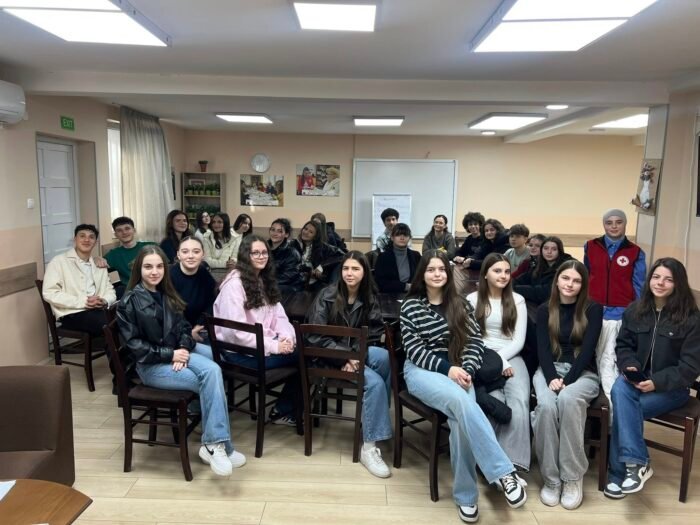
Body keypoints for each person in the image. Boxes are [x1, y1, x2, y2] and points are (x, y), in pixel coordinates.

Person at [400, 251, 526, 522]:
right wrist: (449, 369)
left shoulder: (460, 304)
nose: (437, 274)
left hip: (459, 370)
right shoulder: (410, 306)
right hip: (422, 370)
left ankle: (466, 498)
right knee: (461, 401)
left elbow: (474, 342)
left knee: (460, 422)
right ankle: (505, 472)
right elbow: (414, 350)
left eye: (441, 269)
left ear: (448, 274)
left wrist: (466, 368)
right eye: (431, 269)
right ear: (422, 274)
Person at [117, 245, 245, 477]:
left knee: (214, 368)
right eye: (148, 267)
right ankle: (218, 446)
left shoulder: (166, 293)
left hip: (175, 352)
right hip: (151, 366)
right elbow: (135, 346)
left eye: (159, 266)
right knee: (210, 378)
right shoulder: (129, 302)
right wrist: (171, 355)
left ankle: (214, 444)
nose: (154, 272)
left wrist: (183, 348)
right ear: (139, 269)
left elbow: (184, 327)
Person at [605, 258, 700, 499]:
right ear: (649, 280)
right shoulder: (635, 310)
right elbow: (623, 346)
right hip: (637, 381)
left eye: (668, 279)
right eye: (656, 277)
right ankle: (636, 466)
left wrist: (657, 382)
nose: (660, 283)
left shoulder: (691, 318)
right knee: (620, 389)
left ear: (678, 284)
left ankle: (618, 474)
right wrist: (630, 367)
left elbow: (690, 367)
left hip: (671, 388)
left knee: (625, 408)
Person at [306, 251, 393, 478]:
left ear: (365, 272)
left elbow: (373, 334)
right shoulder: (326, 295)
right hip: (326, 357)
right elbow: (315, 336)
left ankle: (374, 421)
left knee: (385, 358)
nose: (349, 273)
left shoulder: (369, 297)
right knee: (374, 383)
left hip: (353, 354)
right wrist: (345, 358)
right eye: (346, 268)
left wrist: (353, 357)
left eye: (355, 269)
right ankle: (369, 447)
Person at [532, 260, 603, 510]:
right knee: (545, 407)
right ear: (557, 280)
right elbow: (542, 350)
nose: (570, 284)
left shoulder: (593, 309)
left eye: (576, 280)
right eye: (565, 278)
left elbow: (588, 351)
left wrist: (567, 381)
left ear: (583, 285)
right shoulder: (545, 309)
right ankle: (551, 480)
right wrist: (552, 377)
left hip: (583, 373)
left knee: (568, 399)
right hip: (549, 370)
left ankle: (572, 477)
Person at [213, 235, 299, 425]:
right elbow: (235, 333)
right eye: (255, 253)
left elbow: (279, 317)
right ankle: (284, 411)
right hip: (238, 354)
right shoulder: (234, 286)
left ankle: (285, 409)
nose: (261, 256)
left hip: (260, 347)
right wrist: (275, 346)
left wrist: (287, 338)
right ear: (245, 256)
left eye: (264, 252)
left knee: (304, 350)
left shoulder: (263, 280)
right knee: (306, 356)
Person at [466, 253, 530, 477]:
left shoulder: (518, 300)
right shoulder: (472, 299)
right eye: (497, 271)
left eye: (506, 271)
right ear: (485, 274)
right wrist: (498, 361)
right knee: (496, 401)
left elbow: (518, 341)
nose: (503, 275)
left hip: (513, 356)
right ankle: (490, 463)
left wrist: (503, 359)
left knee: (519, 401)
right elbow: (472, 338)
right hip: (482, 357)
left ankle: (513, 465)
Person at [584, 209, 647, 404]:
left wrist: (636, 313)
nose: (613, 226)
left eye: (618, 222)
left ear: (625, 224)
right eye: (609, 222)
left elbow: (639, 285)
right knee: (592, 356)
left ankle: (614, 402)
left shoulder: (635, 252)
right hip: (594, 311)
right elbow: (586, 276)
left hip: (621, 314)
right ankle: (595, 402)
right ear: (604, 224)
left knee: (610, 358)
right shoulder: (591, 246)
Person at [43, 224, 116, 336]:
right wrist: (84, 302)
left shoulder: (99, 264)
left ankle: (120, 347)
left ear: (95, 242)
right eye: (82, 236)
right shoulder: (58, 262)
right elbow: (49, 293)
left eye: (91, 237)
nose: (87, 240)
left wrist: (104, 301)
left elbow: (110, 290)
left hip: (98, 310)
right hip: (72, 313)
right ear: (75, 239)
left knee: (126, 318)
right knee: (111, 324)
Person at [170, 236, 217, 343]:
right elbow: (170, 314)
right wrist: (188, 332)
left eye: (196, 252)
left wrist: (199, 325)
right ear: (178, 255)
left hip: (200, 329)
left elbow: (212, 302)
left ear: (203, 254)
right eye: (185, 252)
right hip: (176, 334)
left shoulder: (204, 274)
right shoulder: (169, 276)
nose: (191, 256)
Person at [104, 216, 155, 297]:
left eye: (127, 228)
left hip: (153, 288)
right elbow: (96, 266)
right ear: (115, 234)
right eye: (119, 230)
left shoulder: (151, 246)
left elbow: (167, 268)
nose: (124, 232)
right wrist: (97, 259)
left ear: (134, 230)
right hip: (129, 293)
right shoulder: (113, 255)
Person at [514, 236, 572, 306]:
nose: (549, 252)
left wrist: (515, 289)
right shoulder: (539, 264)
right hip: (540, 304)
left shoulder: (567, 267)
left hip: (558, 305)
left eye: (554, 249)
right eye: (546, 248)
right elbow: (521, 279)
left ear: (560, 251)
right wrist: (509, 286)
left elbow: (545, 292)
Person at [292, 220, 342, 291]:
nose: (306, 232)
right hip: (296, 281)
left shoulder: (322, 247)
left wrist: (322, 266)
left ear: (315, 236)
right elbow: (292, 266)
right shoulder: (293, 245)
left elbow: (341, 255)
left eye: (311, 232)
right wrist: (309, 271)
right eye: (305, 229)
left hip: (315, 282)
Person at [374, 223, 421, 293]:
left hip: (413, 294)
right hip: (390, 295)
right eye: (398, 235)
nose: (402, 238)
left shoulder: (416, 256)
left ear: (409, 238)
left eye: (405, 235)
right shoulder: (383, 257)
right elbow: (381, 283)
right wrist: (406, 287)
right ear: (392, 237)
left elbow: (421, 278)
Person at [267, 218, 304, 293]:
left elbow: (287, 277)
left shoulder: (292, 253)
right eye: (273, 230)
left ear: (286, 234)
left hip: (289, 287)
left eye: (280, 231)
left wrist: (265, 283)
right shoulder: (264, 247)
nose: (275, 233)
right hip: (270, 283)